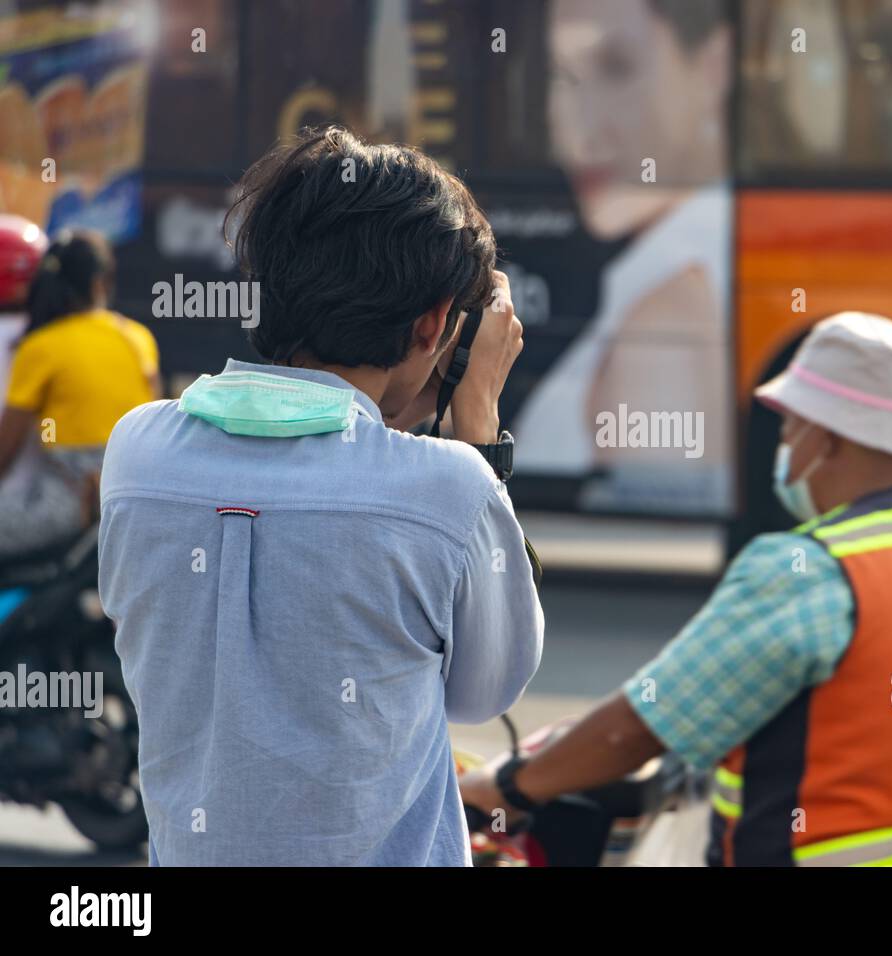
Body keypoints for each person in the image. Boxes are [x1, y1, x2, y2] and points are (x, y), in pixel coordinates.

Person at [98, 126, 544, 866]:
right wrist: (480, 428)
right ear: (434, 324)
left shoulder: (138, 450)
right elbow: (484, 691)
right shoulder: (448, 486)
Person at [461, 311, 892, 867]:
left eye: (790, 425)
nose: (783, 444)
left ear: (830, 438)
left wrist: (506, 786)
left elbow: (644, 722)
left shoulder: (812, 570)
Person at [511, 0, 733, 513]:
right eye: (560, 77)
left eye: (615, 68)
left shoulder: (665, 319)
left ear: (713, 66)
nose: (576, 127)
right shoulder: (673, 275)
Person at [0, 223, 159, 559]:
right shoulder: (137, 337)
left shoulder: (39, 346)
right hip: (138, 499)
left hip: (72, 501)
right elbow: (156, 414)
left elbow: (6, 449)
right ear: (99, 282)